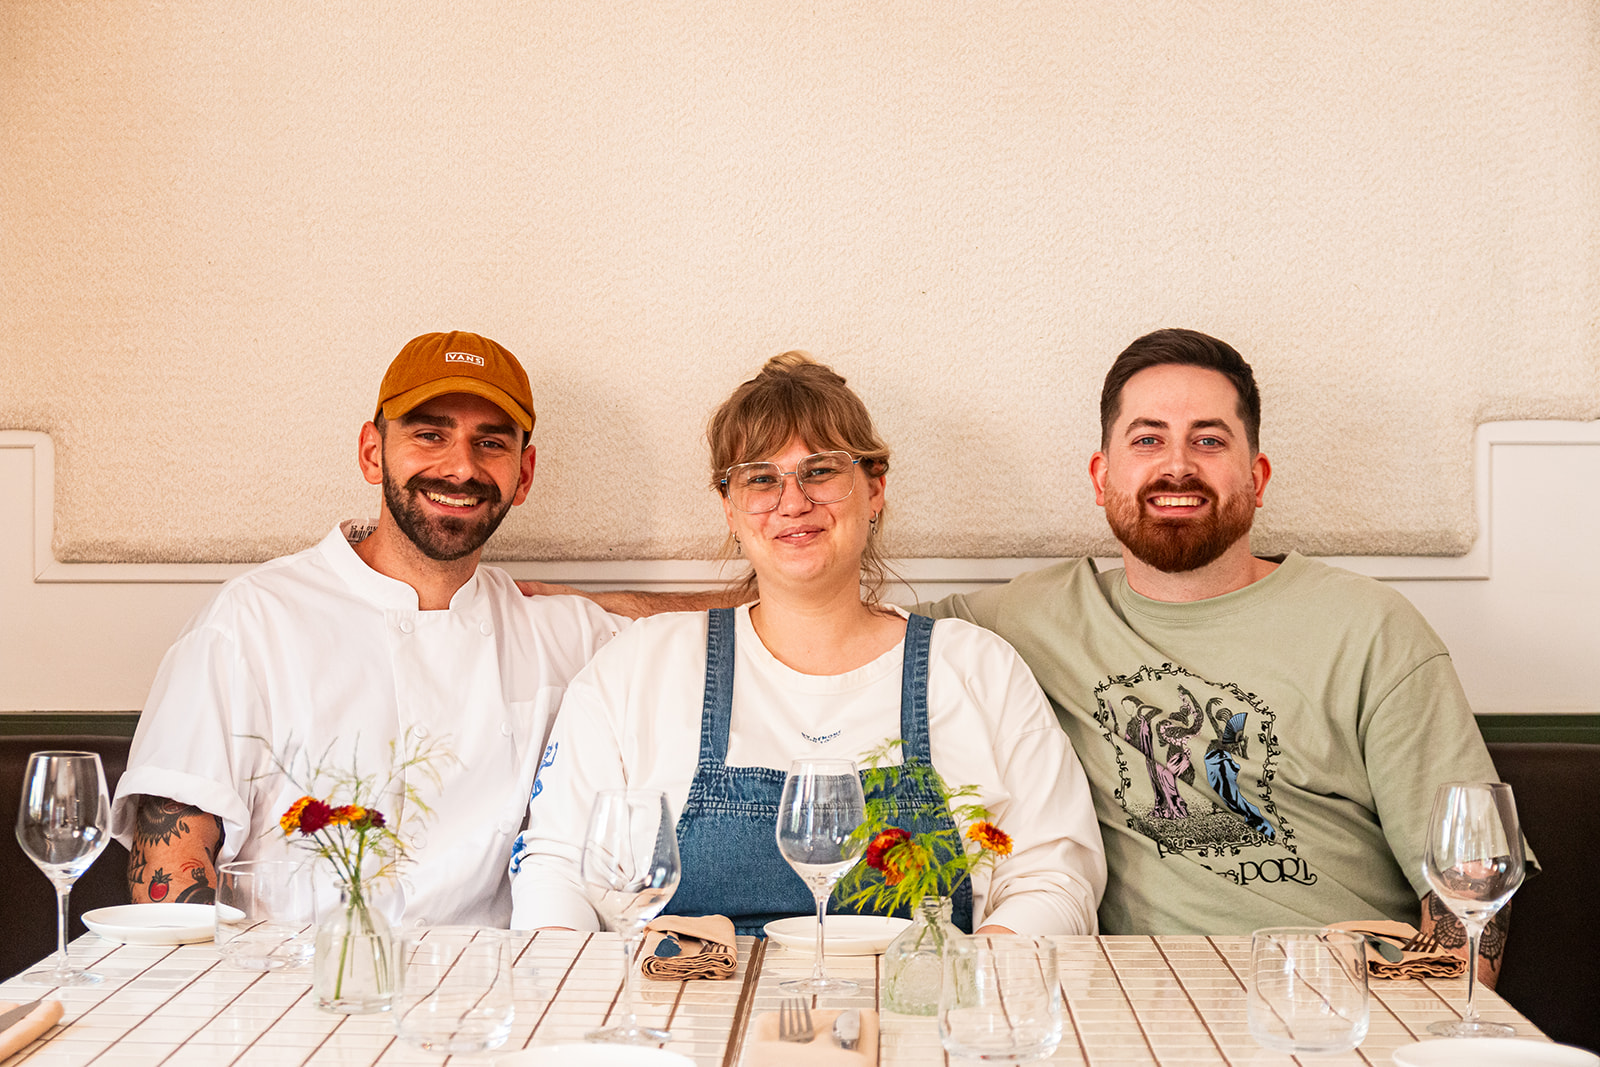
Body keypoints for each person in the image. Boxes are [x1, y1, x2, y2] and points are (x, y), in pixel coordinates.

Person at [915, 328, 1523, 983]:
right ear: (1101, 476)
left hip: (1339, 1008)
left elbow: (1471, 883)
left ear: (1256, 477)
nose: (1177, 465)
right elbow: (853, 633)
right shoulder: (1030, 617)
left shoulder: (1373, 628)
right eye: (1148, 439)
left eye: (1208, 440)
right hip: (1133, 1014)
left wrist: (1421, 1033)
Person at [508, 352, 1106, 935]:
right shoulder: (642, 664)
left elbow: (1055, 875)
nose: (792, 502)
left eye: (820, 471)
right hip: (686, 1018)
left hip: (923, 1017)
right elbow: (556, 861)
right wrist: (571, 988)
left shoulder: (976, 667)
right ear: (730, 509)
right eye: (760, 480)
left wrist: (974, 986)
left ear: (875, 489)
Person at [110, 331, 627, 927]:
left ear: (524, 472)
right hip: (289, 994)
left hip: (484, 998)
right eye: (429, 434)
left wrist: (612, 597)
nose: (461, 466)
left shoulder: (561, 634)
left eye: (490, 442)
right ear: (372, 452)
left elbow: (746, 616)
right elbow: (173, 858)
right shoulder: (251, 620)